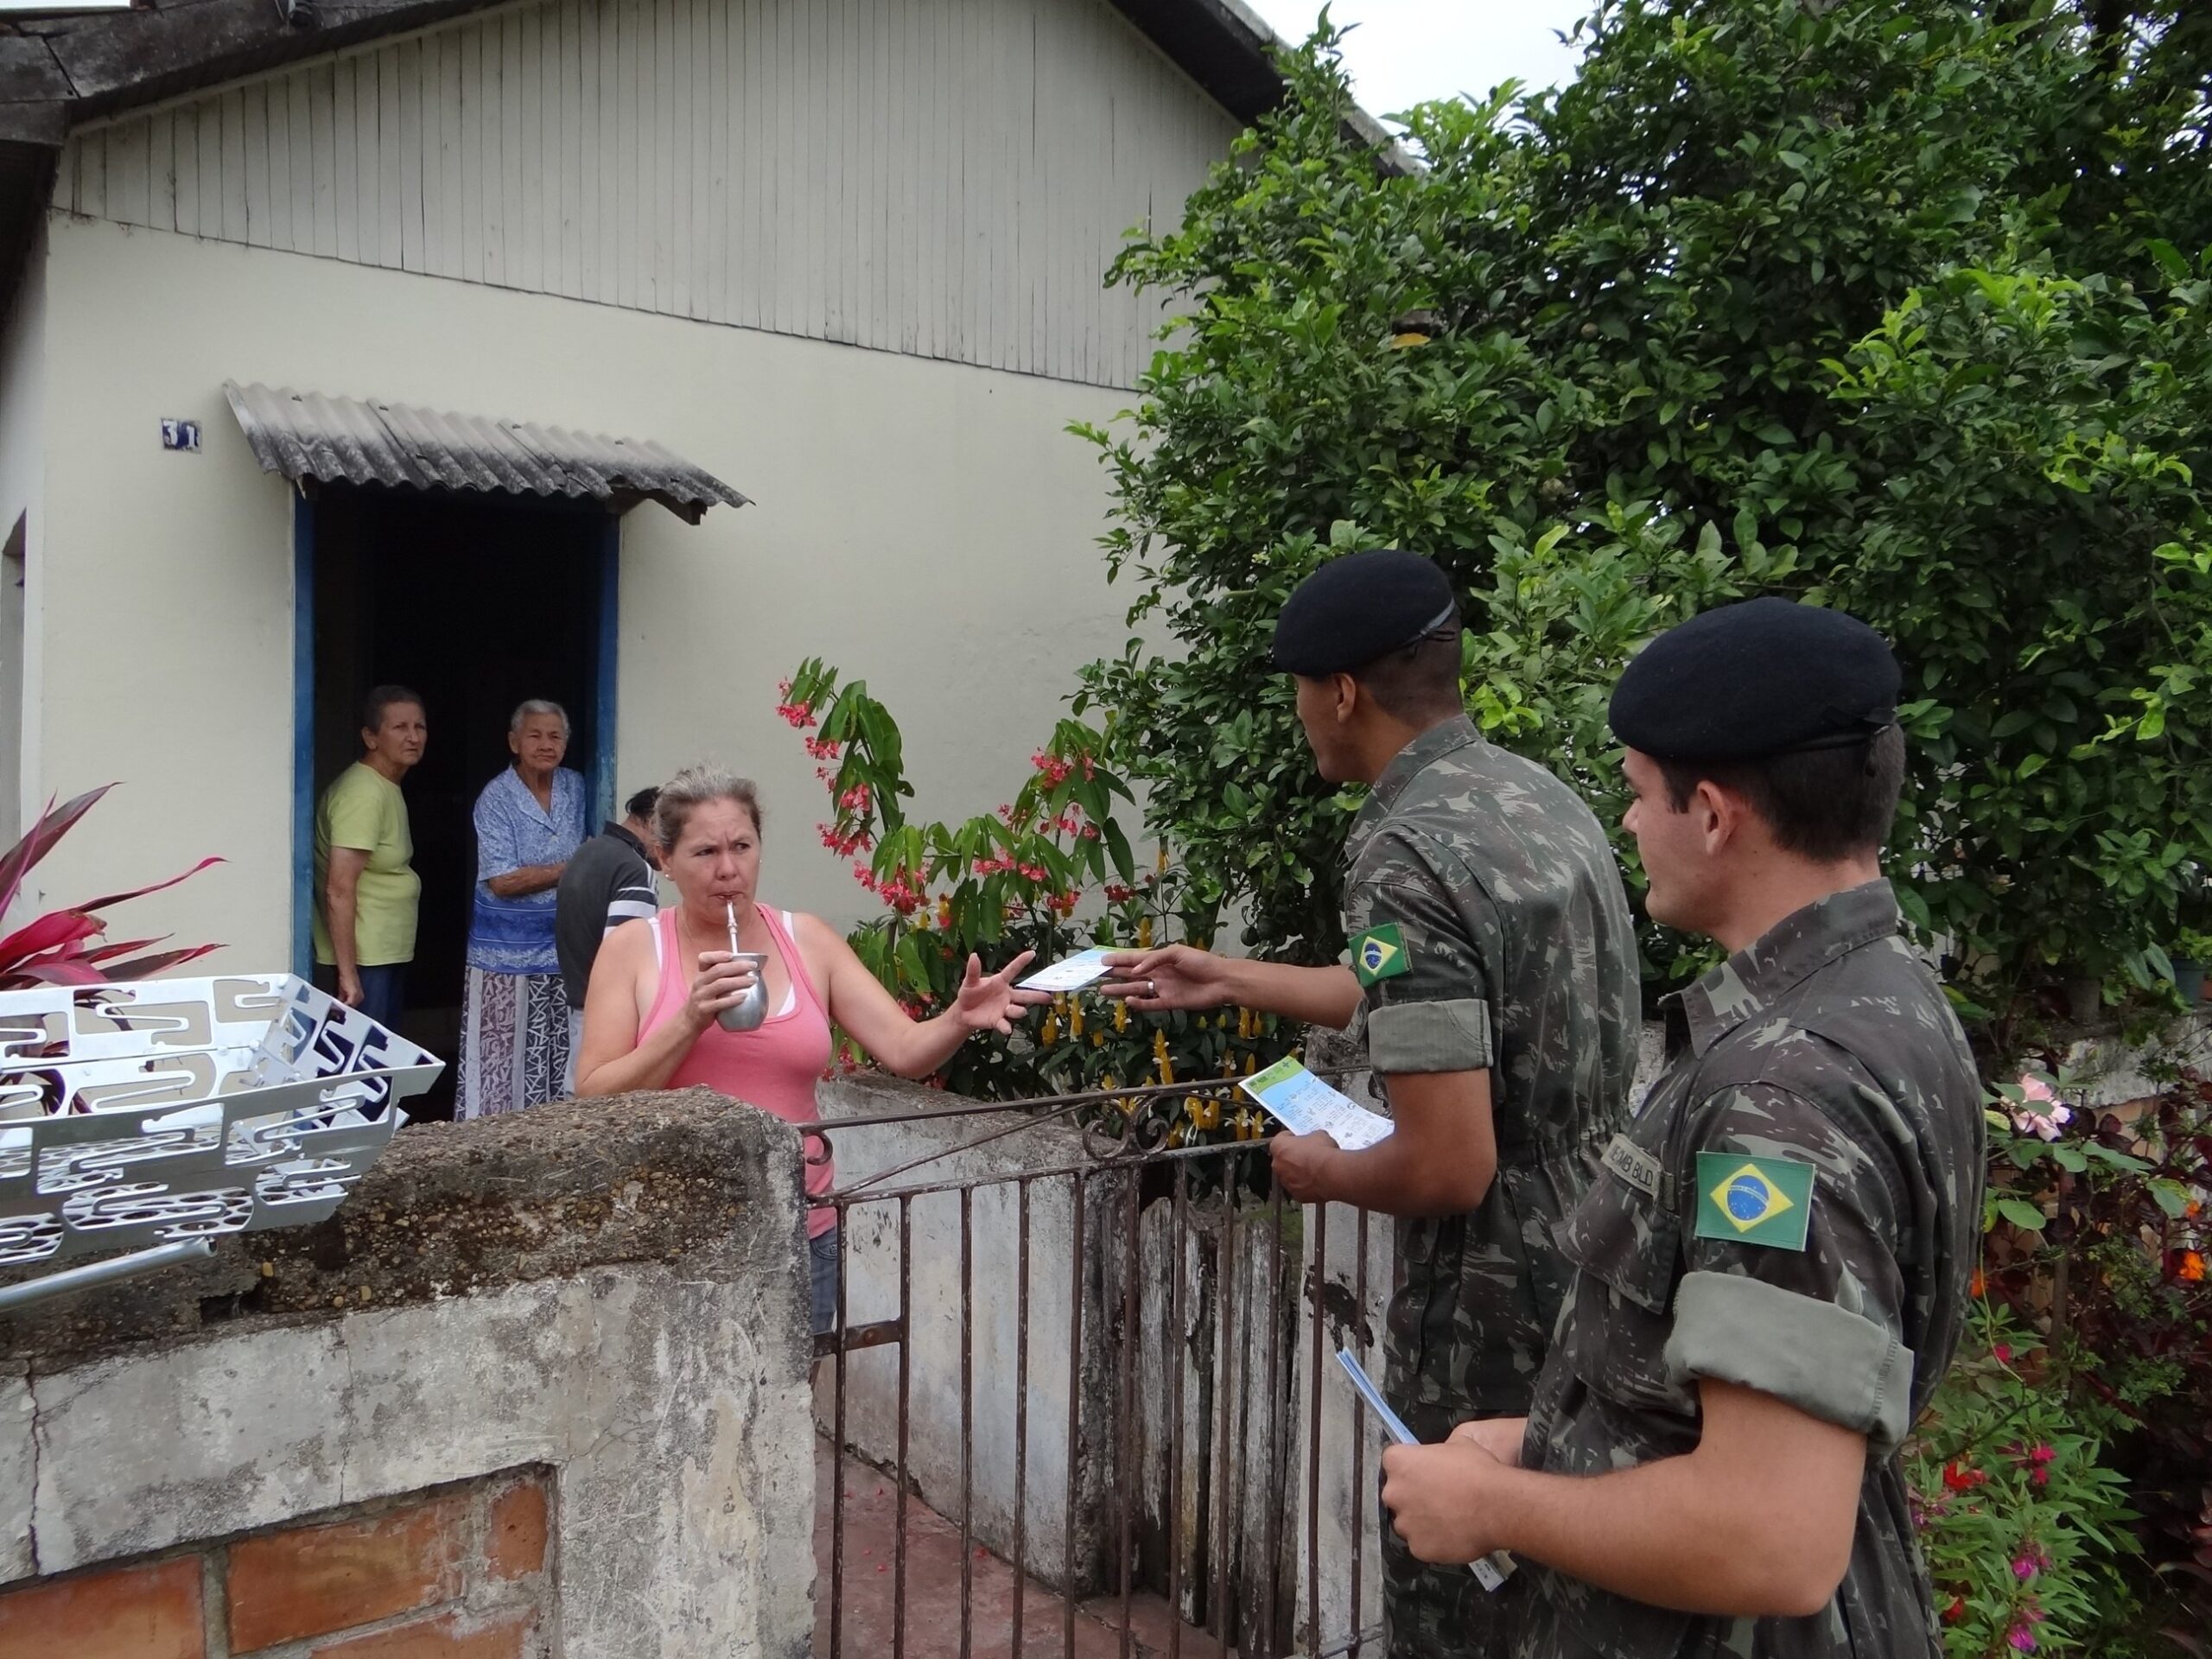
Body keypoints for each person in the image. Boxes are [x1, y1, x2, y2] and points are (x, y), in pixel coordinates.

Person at [1378, 597, 1985, 1659]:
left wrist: (1494, 1510)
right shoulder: (1886, 995)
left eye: (1635, 794)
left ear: (1711, 813)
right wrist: (1546, 1441)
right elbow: (1740, 1407)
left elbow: (1769, 1537)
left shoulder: (1787, 1094)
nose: (1625, 826)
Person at [1100, 549, 1640, 1659]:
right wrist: (1232, 975)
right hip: (1602, 1237)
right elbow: (1421, 996)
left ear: (1340, 691)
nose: (1303, 716)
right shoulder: (1531, 797)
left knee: (1467, 1593)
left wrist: (1320, 1172)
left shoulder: (1404, 848)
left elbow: (1449, 1167)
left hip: (1494, 1286)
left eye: (1302, 691)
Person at [575, 766, 1046, 1335]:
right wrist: (690, 1020)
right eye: (704, 852)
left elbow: (904, 1048)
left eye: (742, 846)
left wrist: (959, 1018)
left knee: (788, 1412)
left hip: (803, 1228)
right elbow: (594, 1093)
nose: (728, 869)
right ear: (666, 860)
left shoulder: (807, 940)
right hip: (678, 1237)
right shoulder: (633, 949)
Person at [457, 699, 589, 1119]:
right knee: (502, 1059)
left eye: (555, 736)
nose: (545, 744)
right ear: (514, 742)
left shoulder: (576, 786)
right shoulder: (496, 798)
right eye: (535, 735)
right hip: (505, 957)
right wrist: (571, 870)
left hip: (561, 950)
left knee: (556, 1052)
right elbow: (502, 880)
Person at [312, 684, 428, 1027]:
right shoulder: (363, 794)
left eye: (419, 727)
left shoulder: (384, 786)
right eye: (399, 727)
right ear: (371, 737)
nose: (413, 737)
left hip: (382, 952)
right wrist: (348, 975)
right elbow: (339, 888)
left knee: (381, 1063)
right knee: (366, 1067)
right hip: (364, 960)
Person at [556, 785, 664, 1091]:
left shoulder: (588, 851)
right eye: (670, 831)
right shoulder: (633, 870)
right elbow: (625, 962)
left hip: (579, 1005)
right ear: (652, 822)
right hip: (606, 1022)